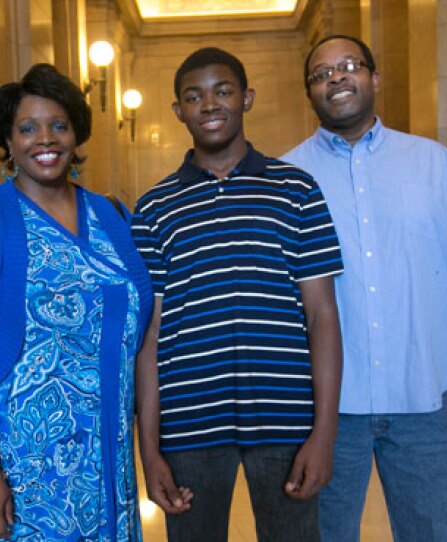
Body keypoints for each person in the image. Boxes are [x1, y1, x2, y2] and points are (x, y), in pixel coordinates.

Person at [282, 35, 447, 541]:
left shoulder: (436, 165)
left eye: (349, 66)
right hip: (325, 413)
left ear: (374, 78)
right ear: (309, 93)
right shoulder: (287, 179)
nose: (336, 78)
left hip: (425, 405)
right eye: (321, 74)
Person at [132, 47, 344, 542]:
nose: (209, 104)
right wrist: (150, 451)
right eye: (194, 96)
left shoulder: (297, 190)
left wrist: (325, 434)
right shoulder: (153, 207)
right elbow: (150, 335)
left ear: (246, 99)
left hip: (288, 420)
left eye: (222, 91)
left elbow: (322, 316)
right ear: (177, 111)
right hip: (188, 428)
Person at [0, 64, 152, 541]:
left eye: (58, 125)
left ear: (76, 134)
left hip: (110, 467)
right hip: (24, 471)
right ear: (8, 143)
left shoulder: (112, 214)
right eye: (27, 128)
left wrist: (149, 455)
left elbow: (142, 337)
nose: (44, 139)